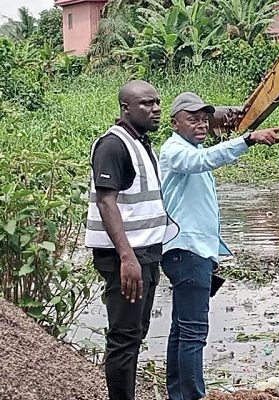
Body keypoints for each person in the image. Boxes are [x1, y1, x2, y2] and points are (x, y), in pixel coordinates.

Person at [159, 92, 279, 400]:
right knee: (193, 332)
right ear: (175, 123)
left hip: (193, 251)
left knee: (181, 329)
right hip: (185, 251)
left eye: (204, 119)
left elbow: (200, 208)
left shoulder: (191, 148)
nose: (201, 125)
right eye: (193, 120)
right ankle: (190, 395)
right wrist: (248, 139)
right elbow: (204, 160)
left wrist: (213, 253)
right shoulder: (176, 151)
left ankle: (178, 394)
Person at [85, 80, 178, 400]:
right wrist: (127, 258)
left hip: (146, 254)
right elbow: (105, 202)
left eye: (157, 103)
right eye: (146, 104)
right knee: (124, 338)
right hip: (127, 257)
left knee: (136, 333)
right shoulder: (114, 145)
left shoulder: (141, 142)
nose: (155, 109)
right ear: (125, 108)